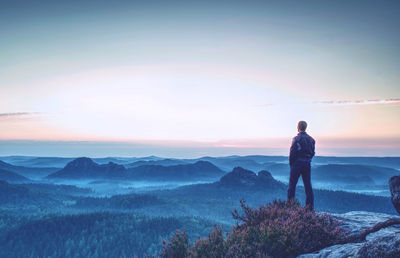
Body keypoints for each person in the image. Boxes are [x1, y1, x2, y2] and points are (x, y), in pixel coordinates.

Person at [287, 120, 315, 210]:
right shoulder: (311, 139)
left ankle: (290, 208)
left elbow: (292, 152)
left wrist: (291, 164)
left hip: (297, 164)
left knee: (292, 186)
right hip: (307, 163)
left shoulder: (296, 139)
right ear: (305, 127)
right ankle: (309, 208)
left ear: (298, 127)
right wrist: (309, 159)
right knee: (308, 186)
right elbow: (312, 152)